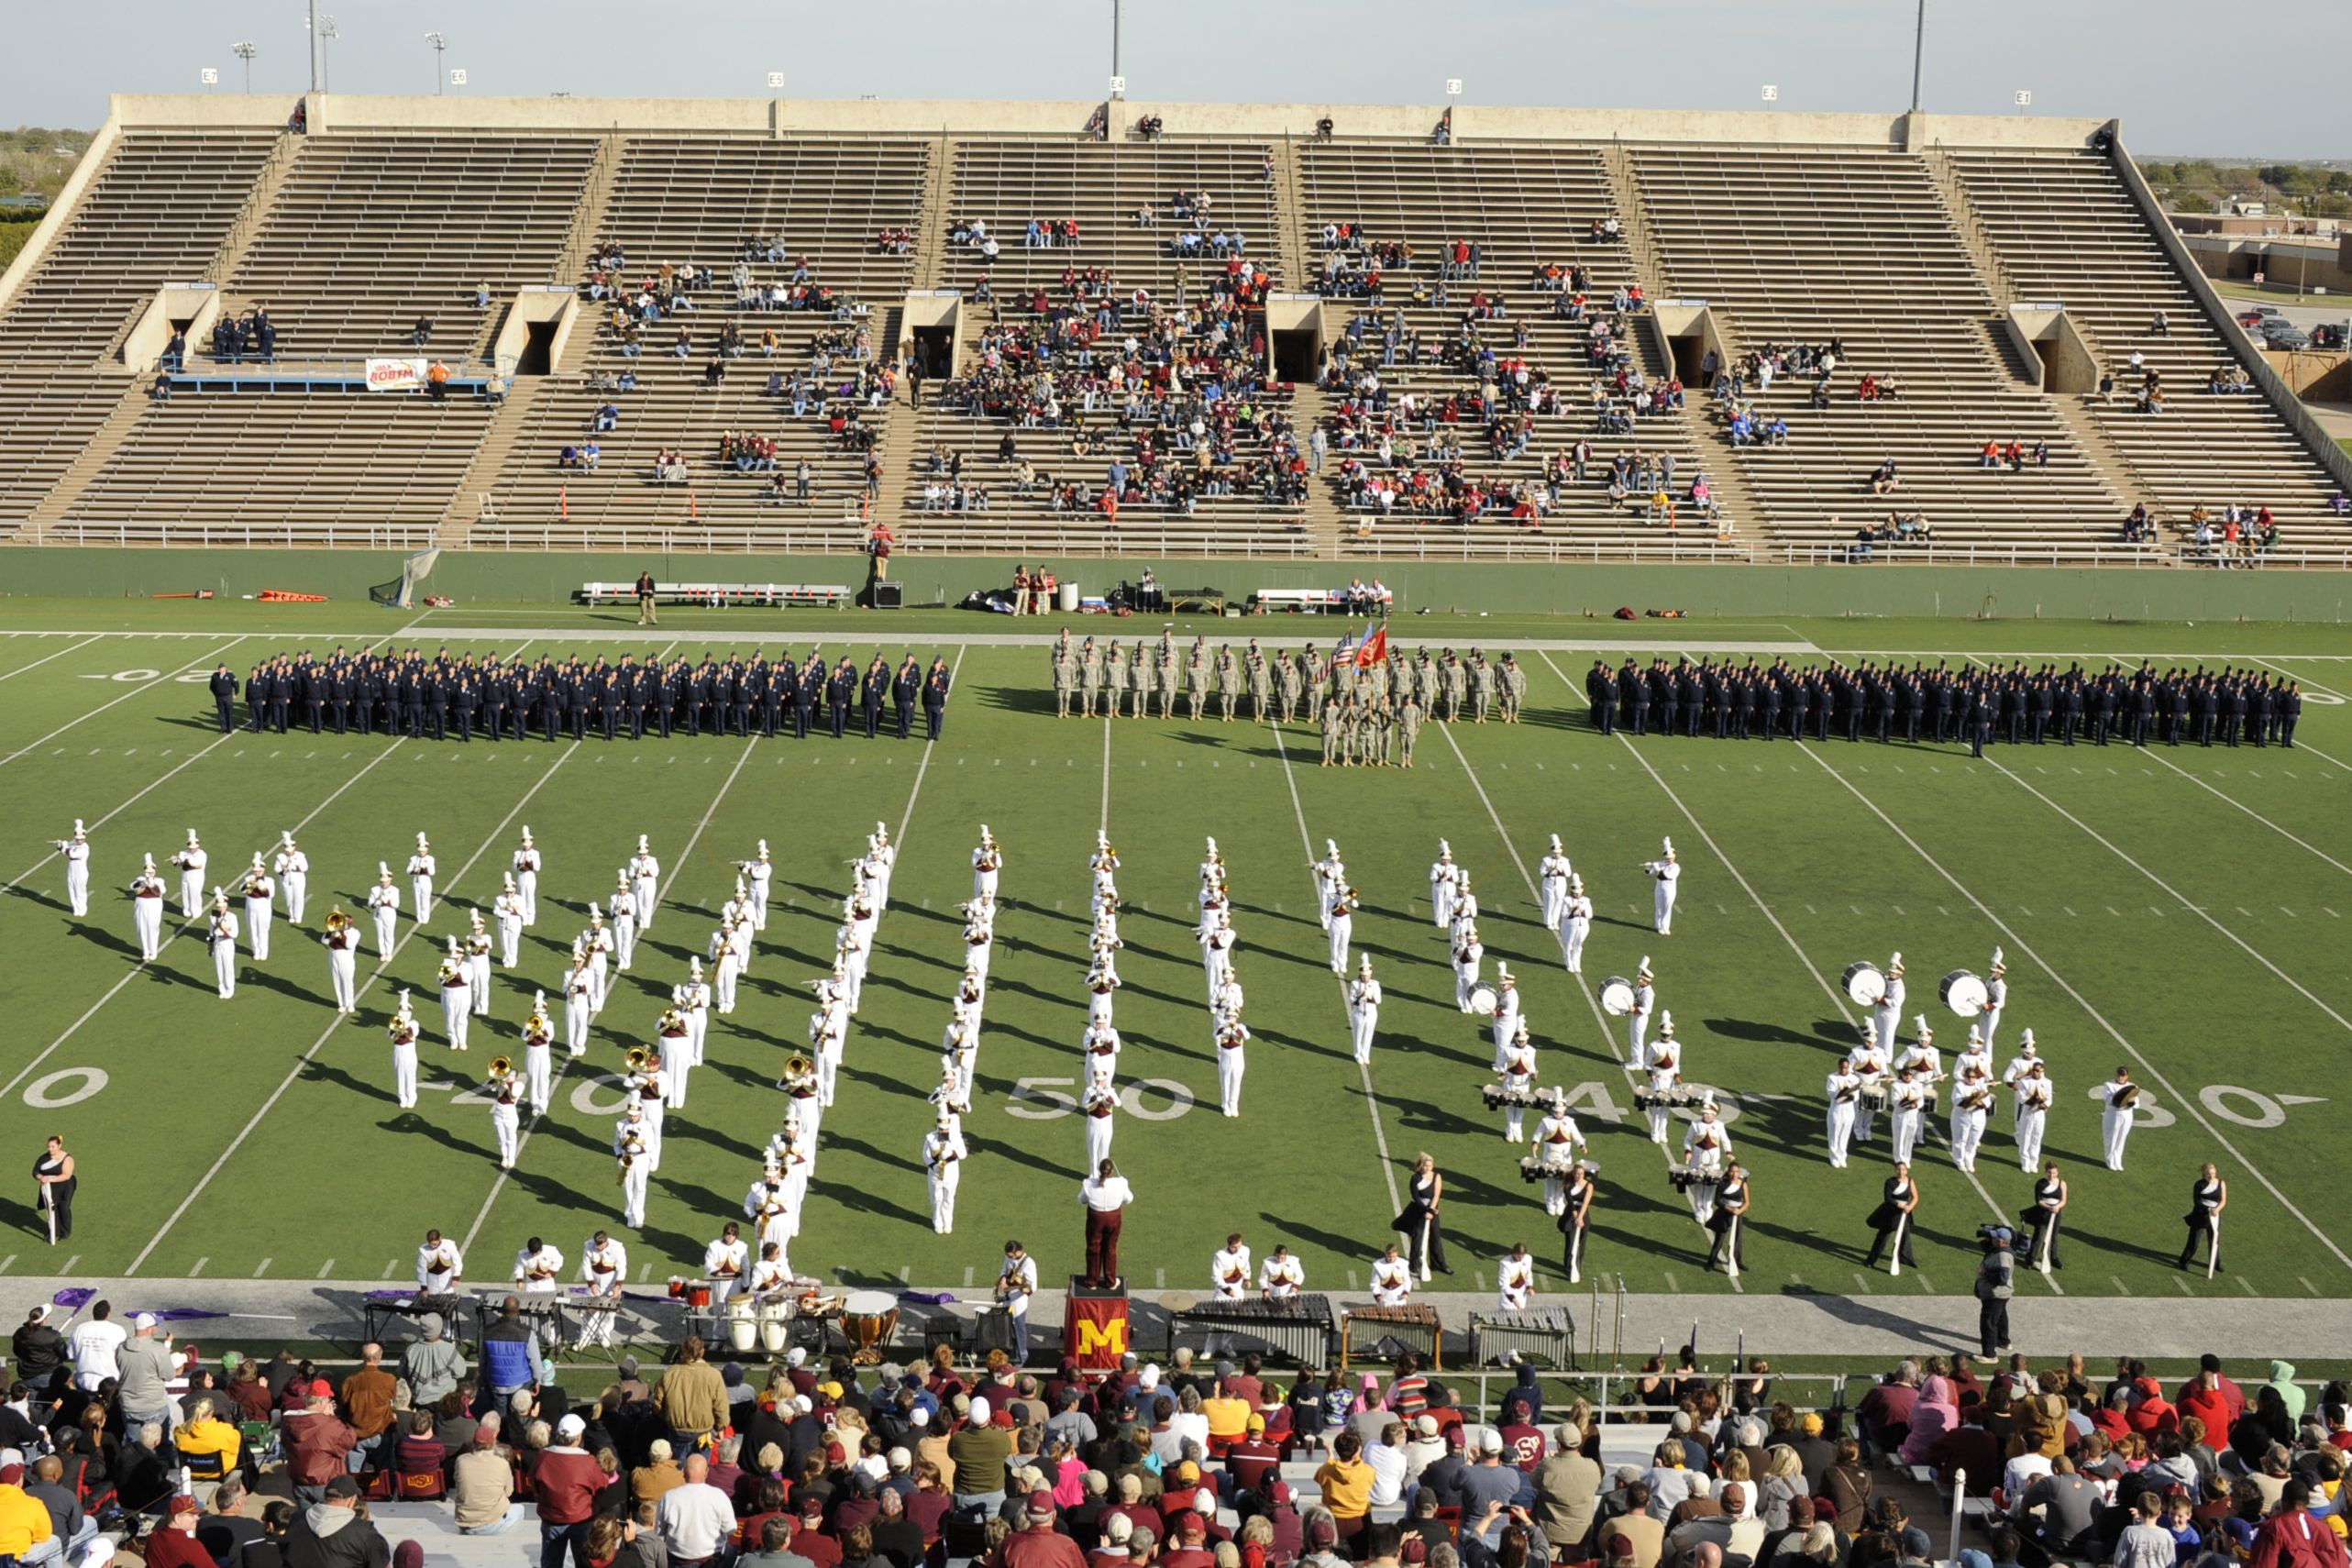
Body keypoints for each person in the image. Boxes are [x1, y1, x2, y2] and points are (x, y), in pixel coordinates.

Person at [1396, 1154, 1450, 1280]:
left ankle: (1439, 1264)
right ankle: (1413, 1266)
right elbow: (1416, 1197)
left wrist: (1431, 1210)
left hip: (1432, 1209)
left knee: (1435, 1237)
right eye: (1425, 1165)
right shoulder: (1415, 1178)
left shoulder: (1437, 1177)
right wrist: (1427, 1210)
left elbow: (1436, 1195)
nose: (1427, 1168)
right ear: (1421, 1165)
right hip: (1417, 1210)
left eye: (1429, 1166)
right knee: (1417, 1237)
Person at [1082, 1159, 1132, 1289]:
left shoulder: (1089, 1183)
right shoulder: (1121, 1183)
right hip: (1113, 1218)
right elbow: (1129, 1199)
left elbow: (1081, 1199)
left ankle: (1092, 1281)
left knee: (1093, 1247)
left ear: (1100, 1170)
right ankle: (1110, 1281)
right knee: (1110, 1248)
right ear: (1112, 1171)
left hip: (1095, 1218)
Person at [1863, 1164, 1919, 1274]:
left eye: (1903, 1170)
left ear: (1906, 1171)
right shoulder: (1890, 1182)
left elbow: (1915, 1197)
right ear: (1895, 1170)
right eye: (1899, 1170)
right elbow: (1888, 1199)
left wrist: (1910, 1207)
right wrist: (1902, 1206)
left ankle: (1906, 1258)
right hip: (1890, 1214)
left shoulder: (1910, 1181)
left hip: (1904, 1215)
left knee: (1905, 1237)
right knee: (1882, 1239)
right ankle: (1870, 1260)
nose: (1901, 1172)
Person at [1974, 1228, 2015, 1358]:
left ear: (2004, 1242)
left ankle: (1989, 1355)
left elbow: (2002, 1279)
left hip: (1996, 1294)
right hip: (2002, 1294)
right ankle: (2003, 1341)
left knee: (1988, 1323)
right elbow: (1985, 1245)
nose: (1992, 1239)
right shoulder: (1999, 1249)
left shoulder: (2003, 1256)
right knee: (2001, 1316)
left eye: (1995, 1238)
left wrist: (1985, 1273)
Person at [2181, 1162, 2226, 1273]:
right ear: (2204, 1174)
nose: (2211, 1176)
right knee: (2194, 1240)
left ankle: (2215, 1263)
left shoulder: (2221, 1184)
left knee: (2214, 1240)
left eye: (2213, 1173)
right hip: (2200, 1215)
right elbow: (2196, 1201)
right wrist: (2208, 1209)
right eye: (2208, 1174)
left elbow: (2224, 1200)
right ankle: (2184, 1262)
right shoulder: (2199, 1185)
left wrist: (2217, 1209)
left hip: (2215, 1216)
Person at [33, 1136, 74, 1244]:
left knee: (64, 1207)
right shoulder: (43, 1158)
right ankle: (54, 1231)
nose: (50, 1149)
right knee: (51, 1208)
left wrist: (50, 1179)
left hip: (66, 1186)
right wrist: (41, 1177)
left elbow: (66, 1176)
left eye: (53, 1146)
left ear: (59, 1146)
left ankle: (65, 1232)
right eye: (49, 1146)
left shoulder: (67, 1158)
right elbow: (35, 1172)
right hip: (50, 1186)